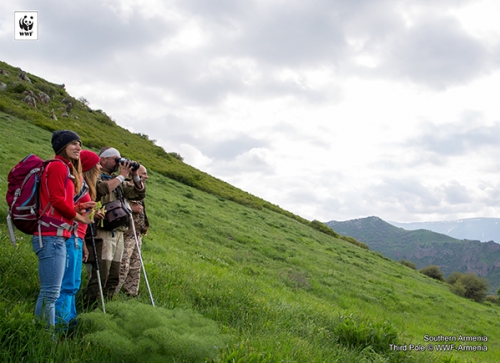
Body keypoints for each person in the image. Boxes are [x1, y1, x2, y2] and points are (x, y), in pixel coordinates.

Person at [32, 130, 93, 328]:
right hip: (51, 236)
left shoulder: (64, 168)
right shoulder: (58, 166)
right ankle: (45, 335)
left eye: (80, 144)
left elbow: (59, 203)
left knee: (51, 292)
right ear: (62, 147)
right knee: (50, 293)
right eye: (73, 144)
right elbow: (57, 200)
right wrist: (79, 217)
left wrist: (79, 207)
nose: (78, 148)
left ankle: (43, 331)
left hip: (56, 236)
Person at [84, 147, 145, 308]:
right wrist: (122, 176)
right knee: (100, 274)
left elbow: (138, 194)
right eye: (115, 159)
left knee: (114, 276)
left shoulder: (117, 181)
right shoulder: (93, 176)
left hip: (118, 232)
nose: (118, 163)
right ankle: (91, 307)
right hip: (101, 231)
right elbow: (101, 189)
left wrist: (135, 176)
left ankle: (106, 306)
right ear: (102, 160)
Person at [55, 150, 101, 327]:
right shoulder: (78, 184)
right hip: (70, 236)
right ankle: (60, 324)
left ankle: (69, 319)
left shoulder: (84, 185)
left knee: (73, 283)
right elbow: (68, 208)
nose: (99, 166)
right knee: (66, 284)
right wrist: (83, 209)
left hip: (77, 237)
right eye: (96, 163)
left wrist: (83, 243)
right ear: (88, 165)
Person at [115, 165, 149, 297]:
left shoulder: (139, 189)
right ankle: (112, 293)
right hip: (126, 233)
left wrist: (144, 226)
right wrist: (130, 208)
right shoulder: (124, 186)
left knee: (135, 266)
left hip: (137, 233)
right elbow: (115, 204)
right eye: (143, 174)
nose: (146, 176)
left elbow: (141, 210)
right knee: (123, 265)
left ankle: (131, 294)